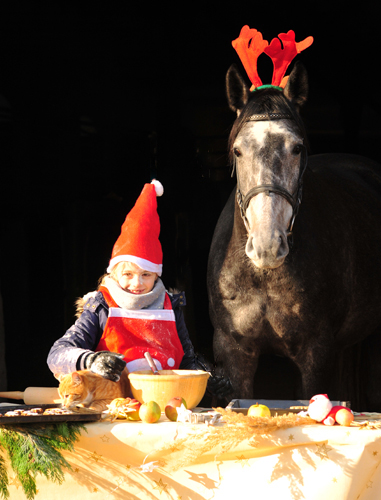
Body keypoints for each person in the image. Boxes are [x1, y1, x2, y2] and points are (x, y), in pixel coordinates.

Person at [47, 180, 231, 398]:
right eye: (127, 275)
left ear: (156, 275)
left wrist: (206, 378)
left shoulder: (170, 305)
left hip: (167, 405)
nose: (137, 284)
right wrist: (91, 360)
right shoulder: (101, 306)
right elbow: (56, 355)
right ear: (113, 274)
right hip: (114, 409)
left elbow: (186, 361)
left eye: (146, 275)